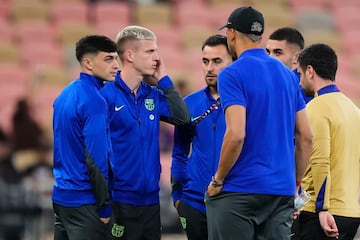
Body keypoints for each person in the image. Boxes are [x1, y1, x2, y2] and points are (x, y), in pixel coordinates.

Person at [205, 6, 313, 240]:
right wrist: (294, 184)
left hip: (239, 191)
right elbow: (306, 136)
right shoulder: (287, 75)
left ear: (231, 34)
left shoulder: (231, 74)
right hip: (280, 193)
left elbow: (236, 134)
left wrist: (218, 179)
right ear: (260, 35)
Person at [99, 25, 190, 240]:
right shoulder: (105, 95)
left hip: (151, 200)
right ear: (129, 55)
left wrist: (164, 79)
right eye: (150, 52)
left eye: (156, 51)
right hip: (119, 201)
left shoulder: (153, 95)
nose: (157, 58)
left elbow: (183, 118)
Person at [52, 35, 119, 240]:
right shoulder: (94, 101)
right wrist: (105, 208)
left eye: (116, 58)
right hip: (85, 201)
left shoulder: (64, 94)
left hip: (62, 197)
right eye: (108, 59)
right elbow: (96, 160)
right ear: (88, 63)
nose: (116, 65)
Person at [171, 34, 234, 240]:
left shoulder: (245, 103)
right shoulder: (189, 103)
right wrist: (177, 197)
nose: (209, 68)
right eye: (205, 61)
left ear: (233, 61)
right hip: (193, 202)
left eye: (217, 61)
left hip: (232, 202)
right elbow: (179, 152)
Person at [297, 43, 360, 239]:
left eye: (299, 74)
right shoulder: (353, 109)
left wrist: (322, 208)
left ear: (309, 71)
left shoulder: (316, 107)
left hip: (322, 213)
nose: (299, 82)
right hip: (350, 212)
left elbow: (320, 161)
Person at [265, 27, 313, 104]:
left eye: (278, 53)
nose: (269, 58)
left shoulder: (304, 87)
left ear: (296, 58)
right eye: (268, 52)